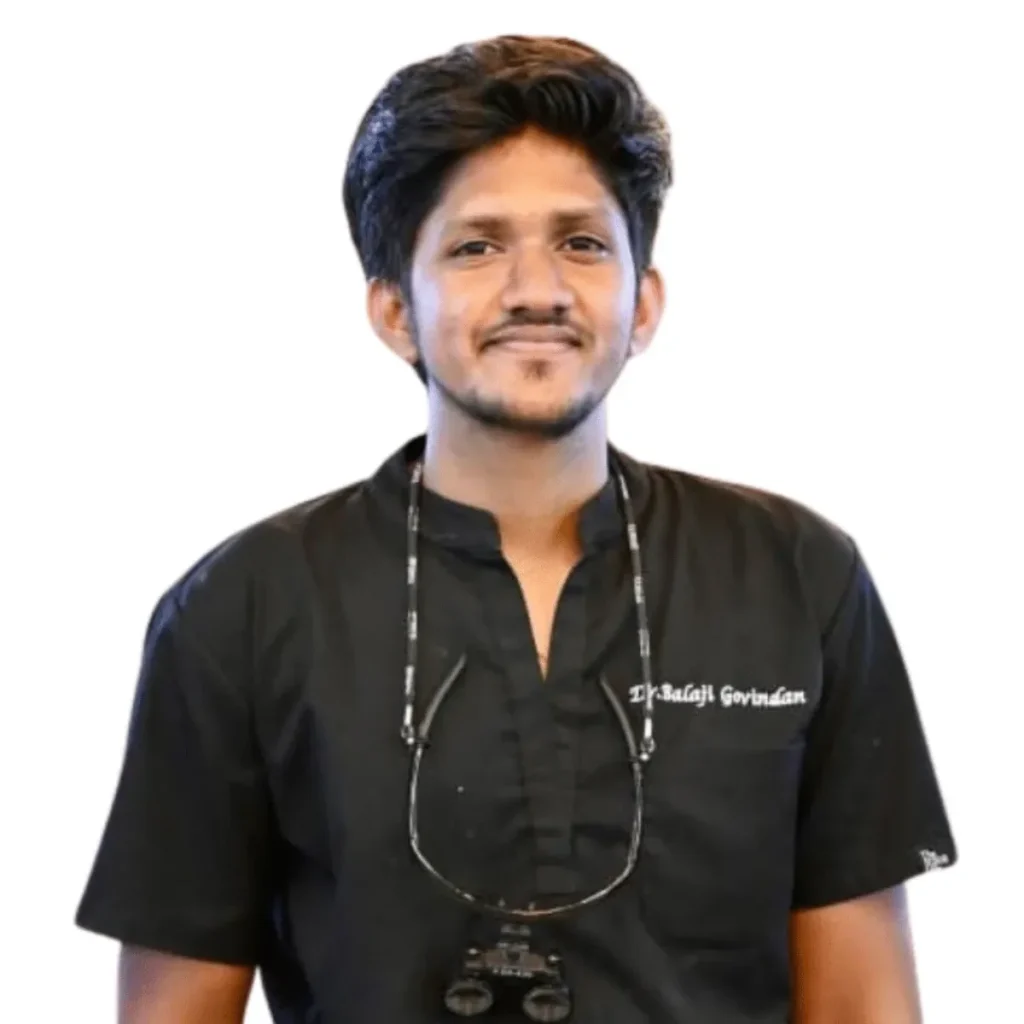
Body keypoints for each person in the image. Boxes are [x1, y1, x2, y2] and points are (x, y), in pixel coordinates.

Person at [75, 34, 957, 1023]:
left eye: (582, 243)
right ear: (394, 311)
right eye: (476, 246)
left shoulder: (795, 577)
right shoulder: (241, 608)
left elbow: (865, 1005)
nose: (537, 289)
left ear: (643, 304)